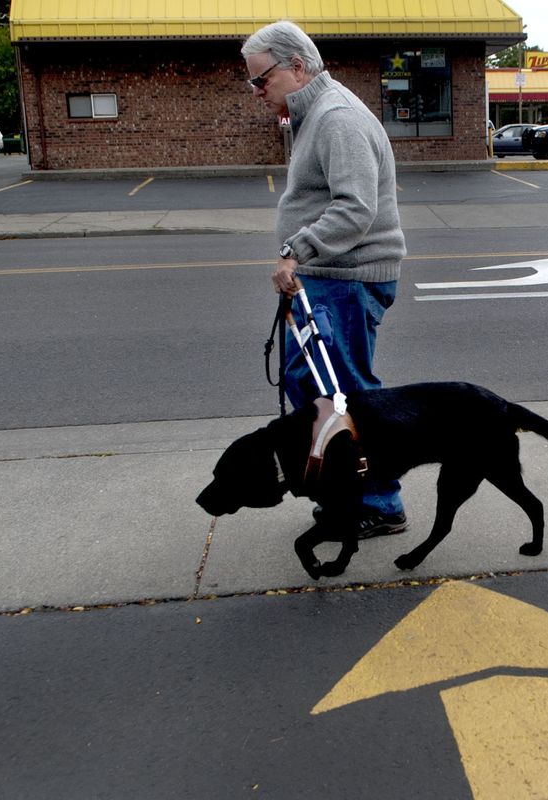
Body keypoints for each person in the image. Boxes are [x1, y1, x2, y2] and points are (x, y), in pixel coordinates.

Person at [242, 20, 407, 539]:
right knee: (314, 388)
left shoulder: (336, 118)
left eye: (261, 79)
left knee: (346, 395)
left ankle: (380, 502)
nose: (257, 91)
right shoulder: (311, 116)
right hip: (325, 279)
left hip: (345, 279)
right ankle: (347, 486)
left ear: (297, 66)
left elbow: (355, 208)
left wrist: (295, 251)